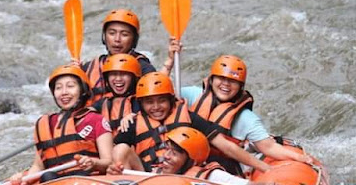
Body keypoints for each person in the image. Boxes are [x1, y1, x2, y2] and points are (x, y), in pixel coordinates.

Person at [110, 72, 268, 173]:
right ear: (141, 105)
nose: (156, 107)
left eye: (162, 101)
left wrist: (264, 168)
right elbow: (115, 154)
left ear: (171, 100)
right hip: (148, 176)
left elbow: (226, 147)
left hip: (184, 175)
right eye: (149, 102)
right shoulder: (132, 123)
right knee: (121, 148)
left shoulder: (189, 117)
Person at [181, 54, 314, 175]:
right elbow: (163, 94)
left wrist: (300, 158)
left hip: (221, 166)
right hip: (183, 156)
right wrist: (168, 63)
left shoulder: (246, 119)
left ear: (240, 87)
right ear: (211, 79)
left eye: (232, 81)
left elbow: (269, 147)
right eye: (221, 78)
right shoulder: (192, 95)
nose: (226, 84)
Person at [109, 127, 283, 185]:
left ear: (191, 160)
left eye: (175, 153)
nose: (167, 157)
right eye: (167, 150)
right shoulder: (155, 172)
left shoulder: (210, 175)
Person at [9, 65, 113, 185]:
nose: (64, 92)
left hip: (87, 182)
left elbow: (109, 161)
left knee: (80, 177)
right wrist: (24, 179)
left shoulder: (96, 120)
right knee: (47, 176)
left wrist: (94, 163)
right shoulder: (45, 124)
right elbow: (38, 166)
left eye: (70, 86)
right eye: (58, 88)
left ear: (83, 91)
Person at [79, 8, 181, 105]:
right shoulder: (89, 67)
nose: (117, 39)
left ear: (134, 39)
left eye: (124, 34)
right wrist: (74, 75)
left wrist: (170, 61)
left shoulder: (142, 67)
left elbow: (156, 88)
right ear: (104, 36)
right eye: (112, 33)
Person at [92, 53, 142, 134]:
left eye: (124, 74)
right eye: (113, 74)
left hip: (130, 144)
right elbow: (85, 113)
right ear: (107, 79)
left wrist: (137, 116)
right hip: (107, 144)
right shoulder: (104, 101)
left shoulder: (141, 101)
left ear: (134, 78)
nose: (118, 79)